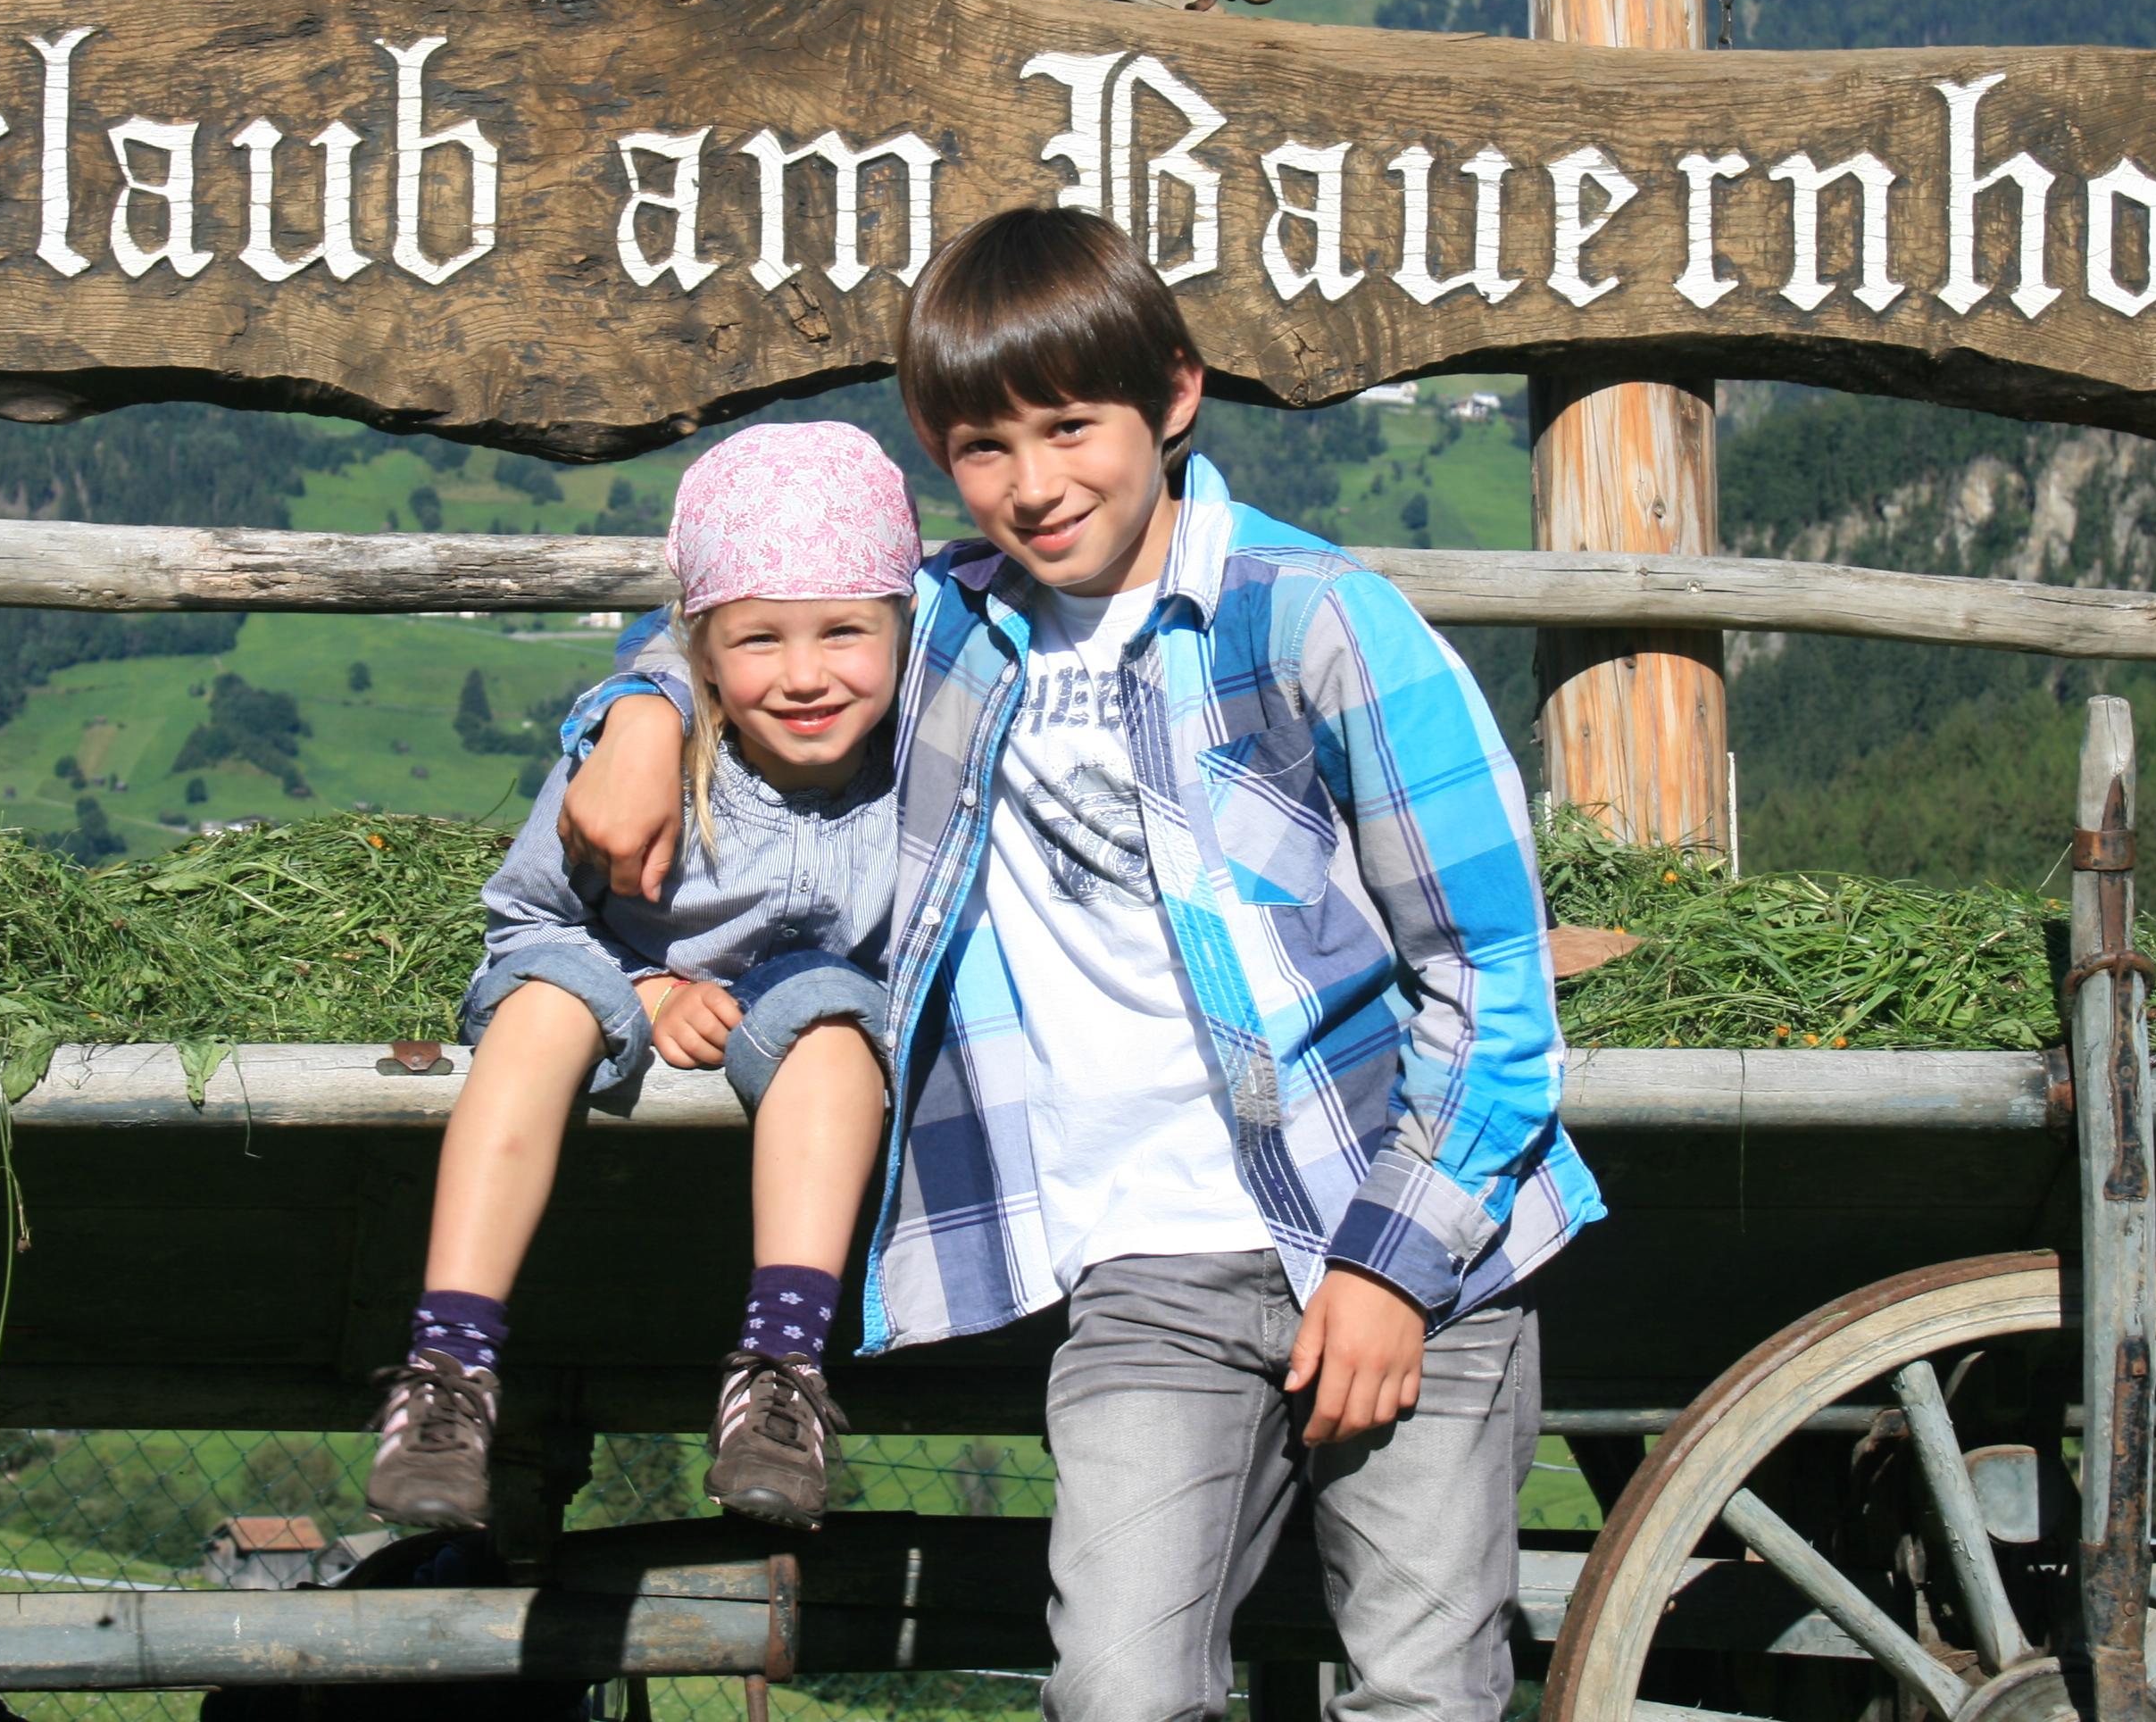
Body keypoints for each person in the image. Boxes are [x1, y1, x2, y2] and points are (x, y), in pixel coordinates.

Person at [560, 207, 1604, 1722]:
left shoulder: (1318, 623)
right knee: (1115, 1692)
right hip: (1145, 1269)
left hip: (1406, 1240)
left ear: (1173, 396)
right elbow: (765, 618)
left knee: (1421, 1692)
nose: (1034, 485)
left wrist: (1392, 1266)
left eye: (1068, 429)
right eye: (983, 448)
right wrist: (642, 713)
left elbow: (1490, 982)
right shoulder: (948, 627)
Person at [362, 421, 917, 1536]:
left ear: (905, 630)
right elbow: (529, 917)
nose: (805, 675)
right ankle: (449, 1367)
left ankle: (781, 1375)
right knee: (543, 1011)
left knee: (834, 1037)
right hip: (603, 970)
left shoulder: (924, 757)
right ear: (700, 653)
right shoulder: (652, 757)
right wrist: (650, 988)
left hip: (812, 1005)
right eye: (758, 640)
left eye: (845, 632)